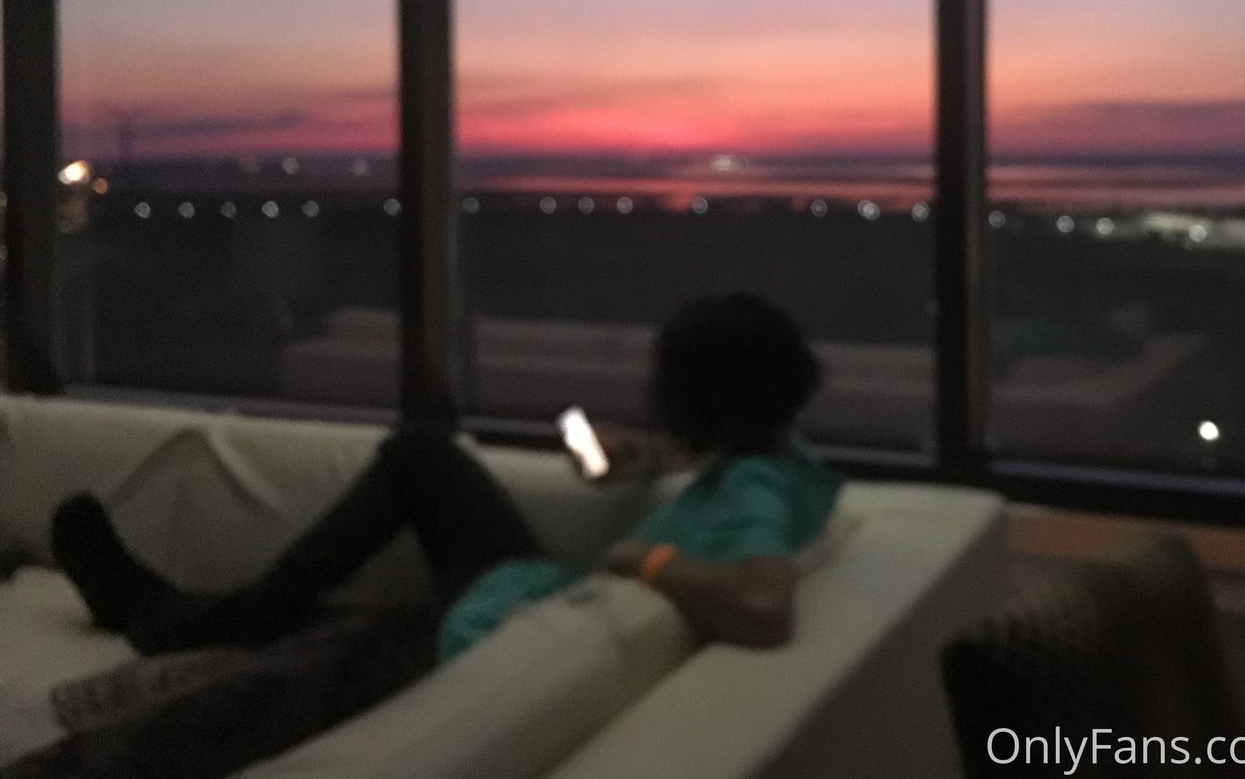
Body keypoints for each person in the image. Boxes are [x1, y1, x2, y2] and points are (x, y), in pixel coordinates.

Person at [15, 294, 839, 777]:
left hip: (506, 615)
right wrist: (647, 458)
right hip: (525, 596)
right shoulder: (782, 459)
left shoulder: (754, 489)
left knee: (414, 460)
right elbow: (737, 484)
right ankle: (180, 611)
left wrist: (644, 558)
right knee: (416, 470)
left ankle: (188, 615)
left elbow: (766, 605)